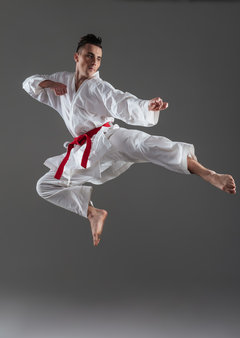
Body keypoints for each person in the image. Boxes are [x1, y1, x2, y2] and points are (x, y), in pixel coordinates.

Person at [22, 34, 236, 247]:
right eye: (89, 56)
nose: (94, 62)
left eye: (98, 59)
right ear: (76, 57)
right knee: (46, 186)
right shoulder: (63, 82)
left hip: (107, 139)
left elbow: (120, 101)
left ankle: (210, 174)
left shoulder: (98, 87)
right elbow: (29, 83)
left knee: (147, 145)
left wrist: (145, 106)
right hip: (83, 151)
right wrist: (50, 84)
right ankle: (92, 213)